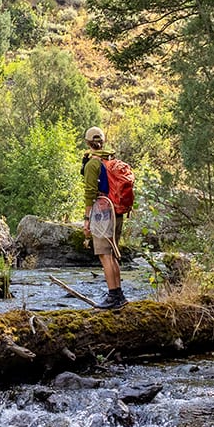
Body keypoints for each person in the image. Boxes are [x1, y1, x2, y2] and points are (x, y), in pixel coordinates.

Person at [81, 126, 126, 309]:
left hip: (102, 212)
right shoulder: (111, 159)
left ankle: (113, 296)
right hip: (117, 211)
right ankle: (119, 295)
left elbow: (90, 193)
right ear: (103, 141)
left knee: (104, 255)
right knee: (112, 254)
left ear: (88, 142)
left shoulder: (93, 164)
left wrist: (86, 219)